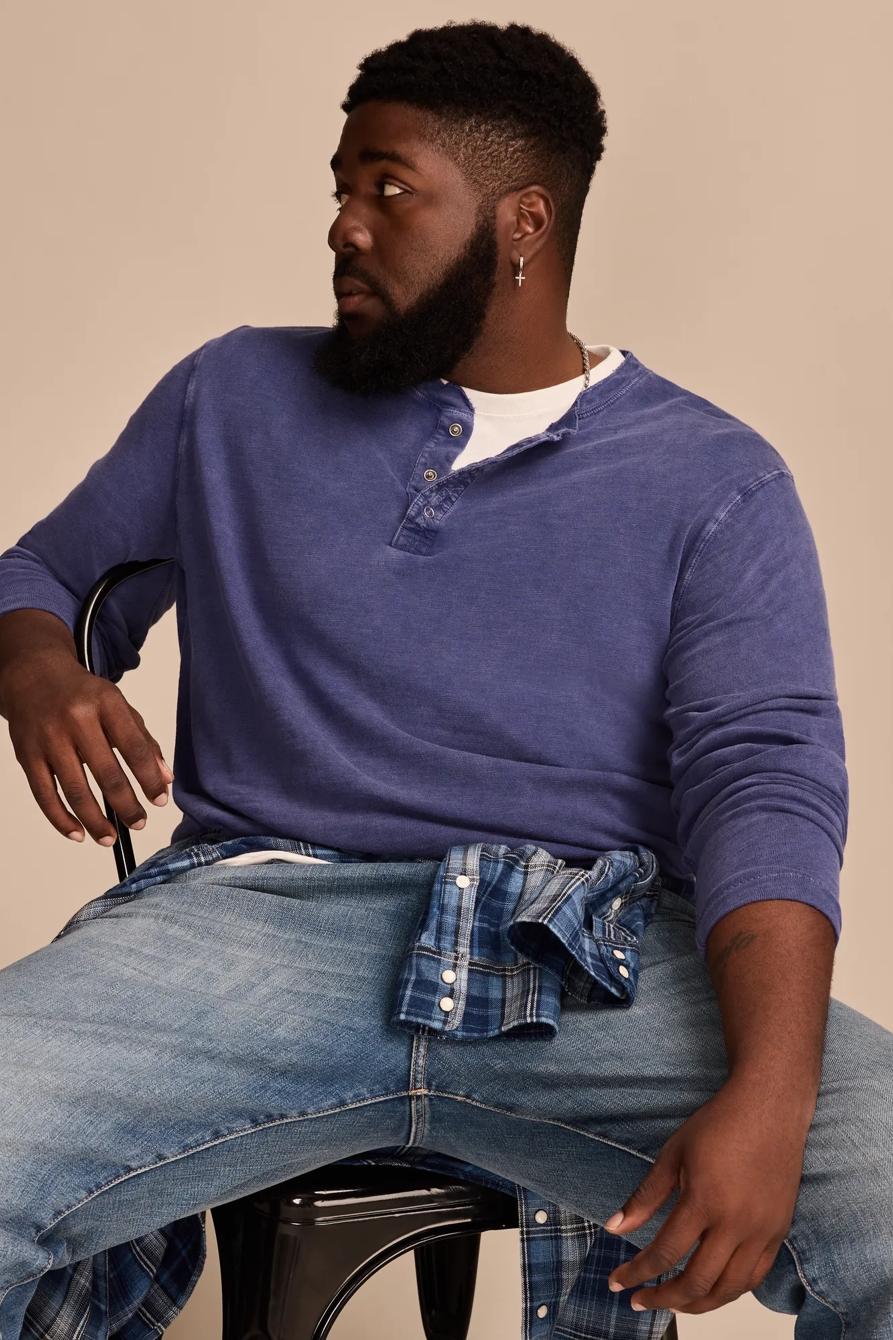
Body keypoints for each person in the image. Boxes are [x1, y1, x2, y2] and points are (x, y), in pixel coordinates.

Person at [0, 20, 890, 1340]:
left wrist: (767, 1099)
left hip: (586, 957)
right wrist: (34, 667)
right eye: (339, 189)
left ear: (523, 222)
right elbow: (42, 576)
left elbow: (763, 788)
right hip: (249, 931)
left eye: (390, 189)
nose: (344, 226)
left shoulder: (715, 480)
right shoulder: (230, 394)